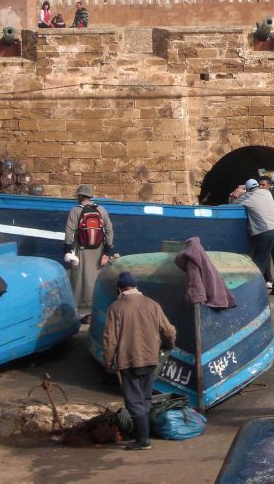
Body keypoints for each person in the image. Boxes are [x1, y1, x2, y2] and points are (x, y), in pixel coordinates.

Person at [101, 271, 176, 451]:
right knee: (145, 398)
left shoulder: (116, 308)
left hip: (129, 361)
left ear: (119, 289)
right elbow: (169, 331)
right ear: (135, 287)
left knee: (134, 402)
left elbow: (110, 339)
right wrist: (168, 345)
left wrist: (108, 361)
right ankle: (144, 434)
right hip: (151, 359)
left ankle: (143, 440)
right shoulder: (152, 304)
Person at [64, 185, 114, 319]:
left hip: (81, 251)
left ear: (80, 196)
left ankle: (78, 312)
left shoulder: (75, 211)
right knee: (95, 280)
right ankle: (93, 311)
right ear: (90, 196)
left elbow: (69, 232)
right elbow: (109, 230)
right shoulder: (101, 210)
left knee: (78, 281)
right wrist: (107, 252)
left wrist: (68, 251)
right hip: (98, 251)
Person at [231, 179, 274, 296]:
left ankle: (252, 289)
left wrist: (235, 195)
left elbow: (232, 205)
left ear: (247, 189)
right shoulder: (267, 193)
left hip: (265, 232)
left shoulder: (248, 197)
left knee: (259, 262)